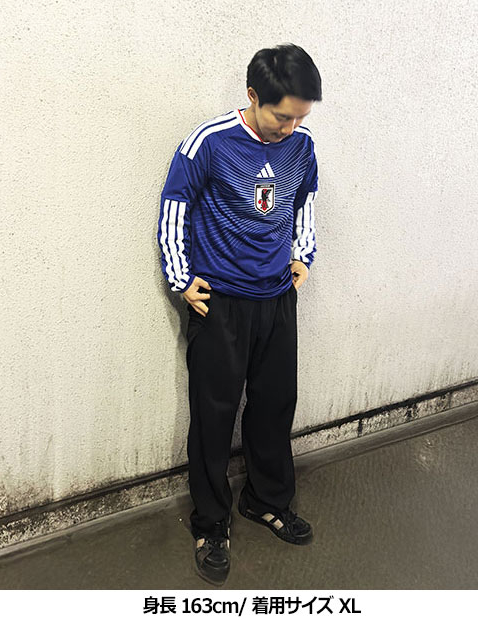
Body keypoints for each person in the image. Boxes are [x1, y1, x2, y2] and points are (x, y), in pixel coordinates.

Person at [157, 44, 322, 585]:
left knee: (274, 406)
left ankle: (266, 500)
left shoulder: (301, 145)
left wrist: (303, 255)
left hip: (276, 299)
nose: (291, 127)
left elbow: (304, 200)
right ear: (253, 96)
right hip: (221, 302)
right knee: (214, 416)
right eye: (282, 116)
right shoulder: (208, 143)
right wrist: (182, 279)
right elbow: (174, 206)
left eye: (300, 117)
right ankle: (210, 523)